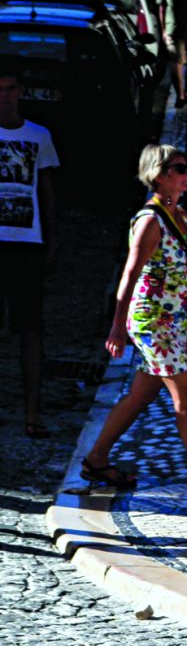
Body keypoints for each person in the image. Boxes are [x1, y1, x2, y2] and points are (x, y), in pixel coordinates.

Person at [79, 145, 187, 499]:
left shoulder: (178, 214)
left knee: (141, 394)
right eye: (180, 168)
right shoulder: (150, 221)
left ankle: (96, 459)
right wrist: (118, 326)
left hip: (174, 321)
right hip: (155, 323)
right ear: (159, 175)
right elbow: (130, 274)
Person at [0, 59, 58, 438]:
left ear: (20, 92)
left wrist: (53, 242)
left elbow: (48, 193)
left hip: (27, 244)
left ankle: (33, 410)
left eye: (9, 89)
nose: (3, 97)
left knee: (31, 329)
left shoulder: (39, 136)